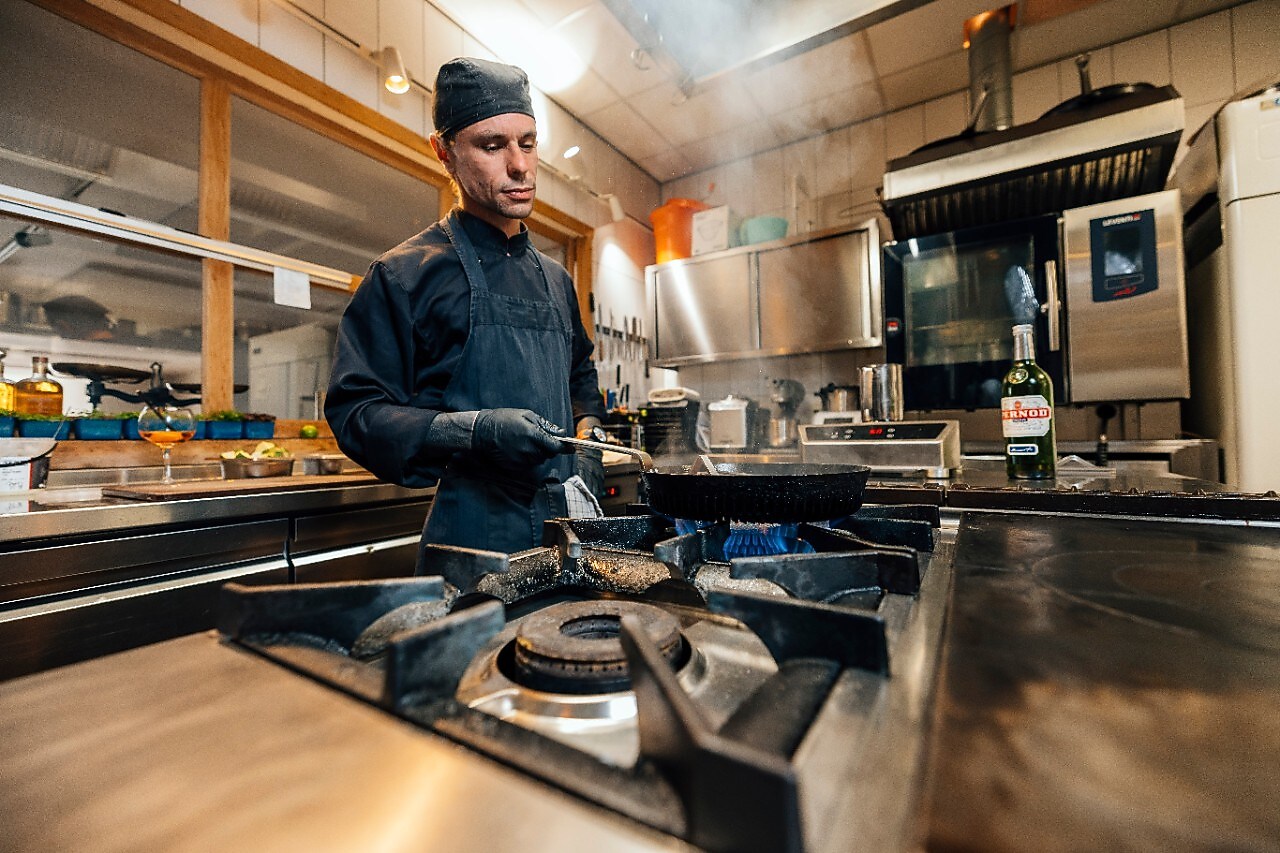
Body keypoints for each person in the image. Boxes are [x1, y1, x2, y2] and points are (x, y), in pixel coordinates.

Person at [326, 57, 605, 560]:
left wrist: (590, 432)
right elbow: (356, 412)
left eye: (528, 143)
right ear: (444, 152)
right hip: (474, 544)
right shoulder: (405, 275)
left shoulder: (557, 281)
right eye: (491, 146)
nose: (519, 166)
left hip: (566, 537)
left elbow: (579, 375)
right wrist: (475, 431)